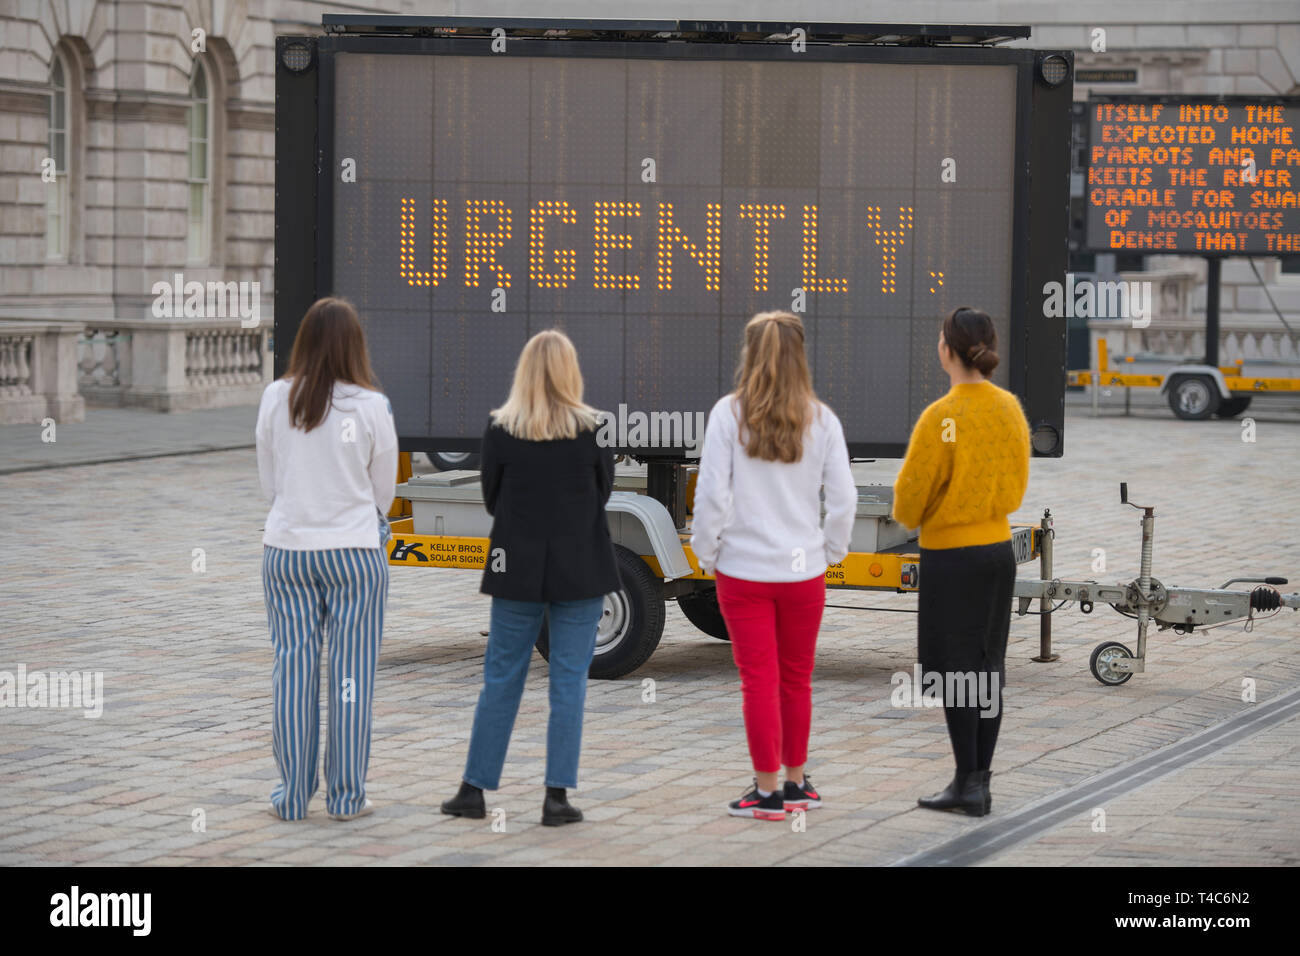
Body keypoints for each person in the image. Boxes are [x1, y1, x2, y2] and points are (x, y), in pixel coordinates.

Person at [440, 329, 620, 827]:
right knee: (568, 682)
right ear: (570, 372)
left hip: (515, 568)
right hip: (580, 567)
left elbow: (493, 499)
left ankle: (472, 790)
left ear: (523, 372)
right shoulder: (592, 428)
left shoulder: (500, 429)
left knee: (501, 678)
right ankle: (556, 798)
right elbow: (601, 493)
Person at [691, 311, 857, 821]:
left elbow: (710, 495)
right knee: (796, 679)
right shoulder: (822, 419)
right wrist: (831, 551)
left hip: (743, 571)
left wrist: (707, 551)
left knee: (757, 680)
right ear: (799, 355)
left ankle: (765, 794)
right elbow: (846, 499)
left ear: (750, 354)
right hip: (803, 572)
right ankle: (796, 783)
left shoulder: (728, 414)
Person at [256, 297, 398, 822]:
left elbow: (269, 483)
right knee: (350, 676)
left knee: (291, 672)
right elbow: (383, 493)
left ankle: (291, 798)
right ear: (354, 345)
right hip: (355, 554)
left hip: (287, 552)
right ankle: (346, 798)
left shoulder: (275, 398)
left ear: (304, 342)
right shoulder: (372, 405)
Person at [892, 306, 1031, 817]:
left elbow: (907, 502)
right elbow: (1016, 488)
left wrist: (937, 509)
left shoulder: (941, 417)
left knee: (955, 673)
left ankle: (964, 783)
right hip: (998, 553)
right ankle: (980, 781)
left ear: (948, 349)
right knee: (987, 666)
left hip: (951, 557)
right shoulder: (1009, 410)